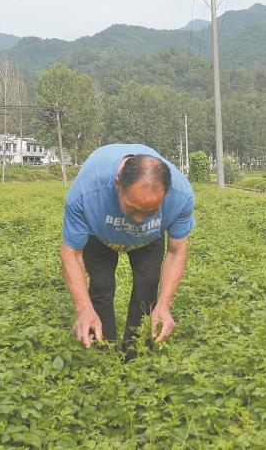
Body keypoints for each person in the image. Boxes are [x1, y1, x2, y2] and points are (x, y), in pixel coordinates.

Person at [60, 144, 195, 356]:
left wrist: (164, 304)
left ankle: (135, 352)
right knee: (101, 286)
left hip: (150, 237)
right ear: (118, 186)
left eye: (149, 211)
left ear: (166, 194)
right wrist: (82, 308)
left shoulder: (181, 196)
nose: (139, 219)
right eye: (132, 208)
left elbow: (176, 251)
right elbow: (71, 253)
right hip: (100, 232)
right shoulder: (86, 193)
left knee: (147, 285)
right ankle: (103, 352)